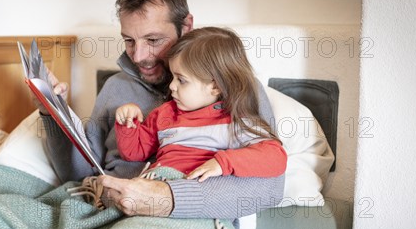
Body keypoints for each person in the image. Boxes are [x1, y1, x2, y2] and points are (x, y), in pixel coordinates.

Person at [38, 0, 285, 218]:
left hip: (180, 218)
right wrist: (50, 113)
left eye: (154, 40)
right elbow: (77, 175)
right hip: (108, 213)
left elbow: (270, 187)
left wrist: (163, 199)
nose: (138, 56)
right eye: (129, 41)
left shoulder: (235, 87)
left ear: (186, 26)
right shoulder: (115, 87)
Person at [114, 27, 287, 183]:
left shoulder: (233, 122)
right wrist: (128, 122)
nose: (172, 86)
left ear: (215, 86)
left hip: (194, 191)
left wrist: (223, 163)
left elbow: (276, 157)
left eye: (181, 80)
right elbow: (133, 153)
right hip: (156, 184)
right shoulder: (165, 114)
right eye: (173, 77)